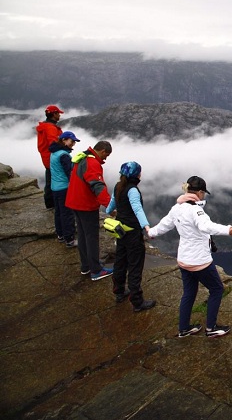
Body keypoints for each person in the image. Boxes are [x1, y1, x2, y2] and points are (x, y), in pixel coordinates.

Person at [148, 176, 232, 338]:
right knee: (217, 289)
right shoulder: (196, 210)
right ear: (199, 192)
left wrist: (151, 232)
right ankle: (211, 328)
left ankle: (184, 328)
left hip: (184, 260)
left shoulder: (177, 208)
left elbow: (164, 225)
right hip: (200, 262)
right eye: (203, 193)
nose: (204, 195)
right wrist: (231, 230)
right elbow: (207, 226)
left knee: (189, 293)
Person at [105, 162, 156, 312]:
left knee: (120, 261)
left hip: (120, 230)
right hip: (132, 233)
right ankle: (137, 302)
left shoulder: (118, 186)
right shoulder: (132, 190)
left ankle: (119, 291)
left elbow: (112, 204)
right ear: (137, 175)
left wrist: (108, 211)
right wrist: (146, 226)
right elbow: (137, 208)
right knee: (135, 265)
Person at [65, 141, 114, 281]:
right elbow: (97, 186)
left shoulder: (82, 158)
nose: (106, 158)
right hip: (85, 205)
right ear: (103, 150)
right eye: (107, 154)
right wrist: (110, 207)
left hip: (74, 202)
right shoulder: (93, 163)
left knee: (82, 235)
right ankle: (96, 270)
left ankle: (85, 266)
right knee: (91, 237)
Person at [49, 131, 80, 247]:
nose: (73, 144)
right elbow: (70, 173)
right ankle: (70, 240)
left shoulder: (54, 153)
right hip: (64, 188)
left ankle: (60, 235)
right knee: (67, 214)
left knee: (58, 212)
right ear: (64, 140)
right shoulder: (64, 155)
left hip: (55, 188)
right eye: (72, 141)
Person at [36, 105, 64, 209]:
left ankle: (50, 203)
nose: (59, 116)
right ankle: (52, 204)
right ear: (54, 114)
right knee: (54, 181)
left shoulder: (45, 126)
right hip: (53, 158)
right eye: (58, 114)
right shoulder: (51, 128)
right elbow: (53, 144)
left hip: (47, 157)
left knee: (50, 179)